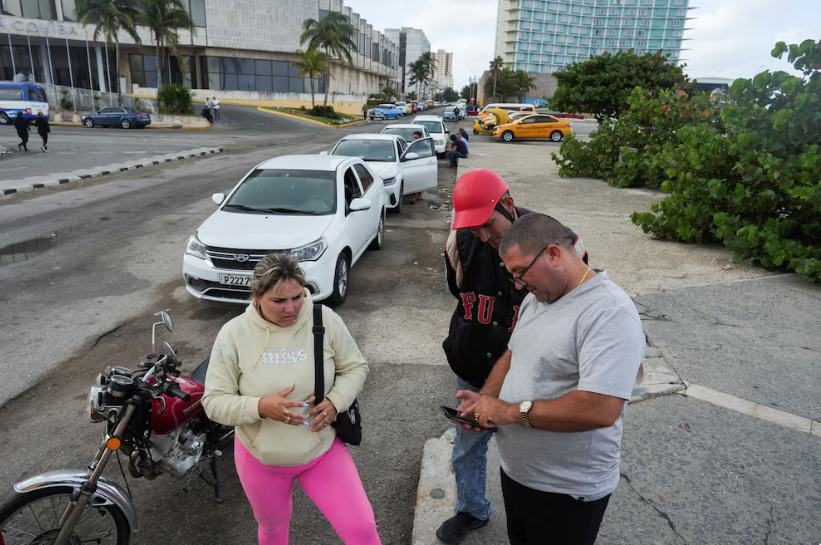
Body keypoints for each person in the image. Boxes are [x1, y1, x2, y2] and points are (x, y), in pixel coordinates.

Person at [457, 213, 644, 545]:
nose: (517, 284)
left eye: (520, 272)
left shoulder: (608, 313)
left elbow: (599, 409)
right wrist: (485, 400)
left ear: (554, 254)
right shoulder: (537, 297)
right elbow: (513, 355)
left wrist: (507, 413)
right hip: (519, 476)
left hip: (567, 492)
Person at [438, 170, 588, 544]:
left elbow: (574, 307)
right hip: (473, 363)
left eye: (487, 224)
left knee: (535, 446)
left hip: (530, 372)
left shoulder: (560, 243)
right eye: (473, 228)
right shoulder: (458, 242)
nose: (483, 236)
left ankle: (543, 516)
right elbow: (459, 290)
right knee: (468, 442)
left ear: (507, 204)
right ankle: (472, 509)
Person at [202, 253, 381, 545]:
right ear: (256, 296)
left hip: (320, 450)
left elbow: (355, 367)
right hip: (261, 458)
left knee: (362, 529)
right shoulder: (233, 334)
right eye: (279, 301)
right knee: (273, 531)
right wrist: (260, 407)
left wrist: (336, 401)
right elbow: (214, 402)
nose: (292, 309)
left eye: (297, 297)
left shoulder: (324, 319)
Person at [409, 130, 425, 204]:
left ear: (420, 137)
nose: (414, 139)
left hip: (421, 165)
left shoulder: (424, 146)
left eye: (416, 137)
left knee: (419, 181)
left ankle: (414, 197)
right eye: (414, 138)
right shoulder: (412, 145)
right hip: (414, 165)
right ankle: (418, 194)